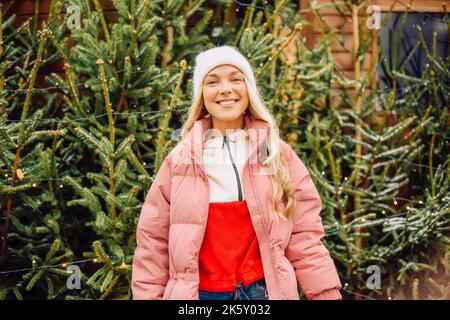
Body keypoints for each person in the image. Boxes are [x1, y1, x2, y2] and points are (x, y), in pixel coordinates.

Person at [131, 45, 342, 300]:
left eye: (235, 78)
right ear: (202, 96)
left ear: (249, 90)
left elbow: (305, 234)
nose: (225, 89)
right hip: (201, 295)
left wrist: (325, 294)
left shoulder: (275, 153)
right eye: (212, 81)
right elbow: (153, 243)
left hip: (262, 292)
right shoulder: (181, 161)